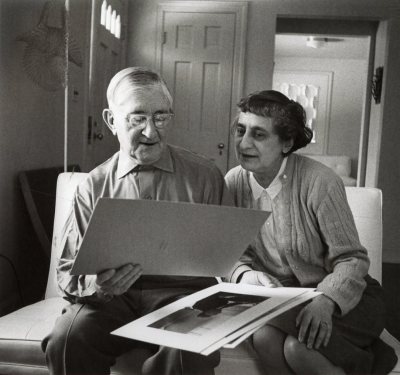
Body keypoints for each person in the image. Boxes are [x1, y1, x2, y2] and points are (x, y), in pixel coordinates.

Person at [42, 67, 230, 375]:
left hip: (184, 297)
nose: (151, 132)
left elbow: (228, 254)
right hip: (110, 301)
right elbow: (66, 270)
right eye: (137, 117)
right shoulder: (93, 185)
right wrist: (98, 285)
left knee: (187, 350)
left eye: (161, 117)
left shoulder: (205, 175)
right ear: (111, 120)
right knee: (66, 339)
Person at [225, 90, 397, 375]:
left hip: (345, 297)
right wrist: (245, 274)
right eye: (240, 130)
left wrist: (327, 300)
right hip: (285, 297)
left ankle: (371, 358)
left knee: (299, 349)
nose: (243, 143)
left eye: (258, 134)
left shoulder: (320, 181)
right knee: (264, 338)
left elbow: (352, 259)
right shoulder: (233, 182)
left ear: (287, 142)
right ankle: (367, 354)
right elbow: (230, 252)